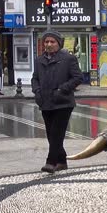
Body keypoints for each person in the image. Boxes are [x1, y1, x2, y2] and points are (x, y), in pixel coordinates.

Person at [32, 30, 82, 173]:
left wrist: (62, 89)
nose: (49, 44)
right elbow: (35, 78)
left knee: (56, 133)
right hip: (45, 102)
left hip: (63, 102)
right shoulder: (39, 60)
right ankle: (62, 161)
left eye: (52, 42)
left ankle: (50, 162)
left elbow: (77, 77)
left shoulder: (68, 58)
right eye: (46, 42)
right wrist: (37, 92)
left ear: (58, 43)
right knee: (50, 133)